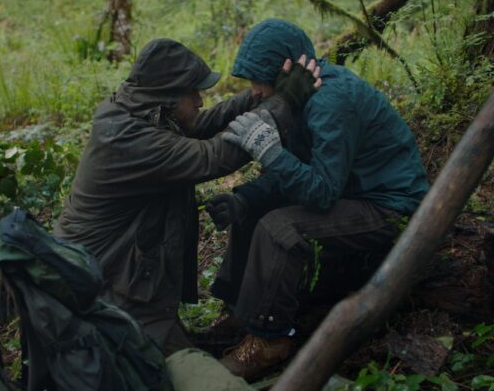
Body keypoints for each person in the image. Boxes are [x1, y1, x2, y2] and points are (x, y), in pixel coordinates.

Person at [53, 38, 321, 355]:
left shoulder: (134, 112)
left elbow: (201, 125)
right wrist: (284, 102)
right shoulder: (127, 140)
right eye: (192, 92)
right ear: (166, 96)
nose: (199, 100)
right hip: (100, 295)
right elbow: (213, 156)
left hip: (111, 276)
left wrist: (255, 97)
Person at [205, 19, 430, 380]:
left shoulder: (330, 100)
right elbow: (293, 174)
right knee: (249, 212)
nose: (255, 92)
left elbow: (322, 192)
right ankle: (238, 318)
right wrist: (244, 199)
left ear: (283, 70)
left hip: (388, 206)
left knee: (280, 228)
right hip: (351, 194)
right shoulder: (297, 94)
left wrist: (271, 153)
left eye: (259, 80)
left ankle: (269, 340)